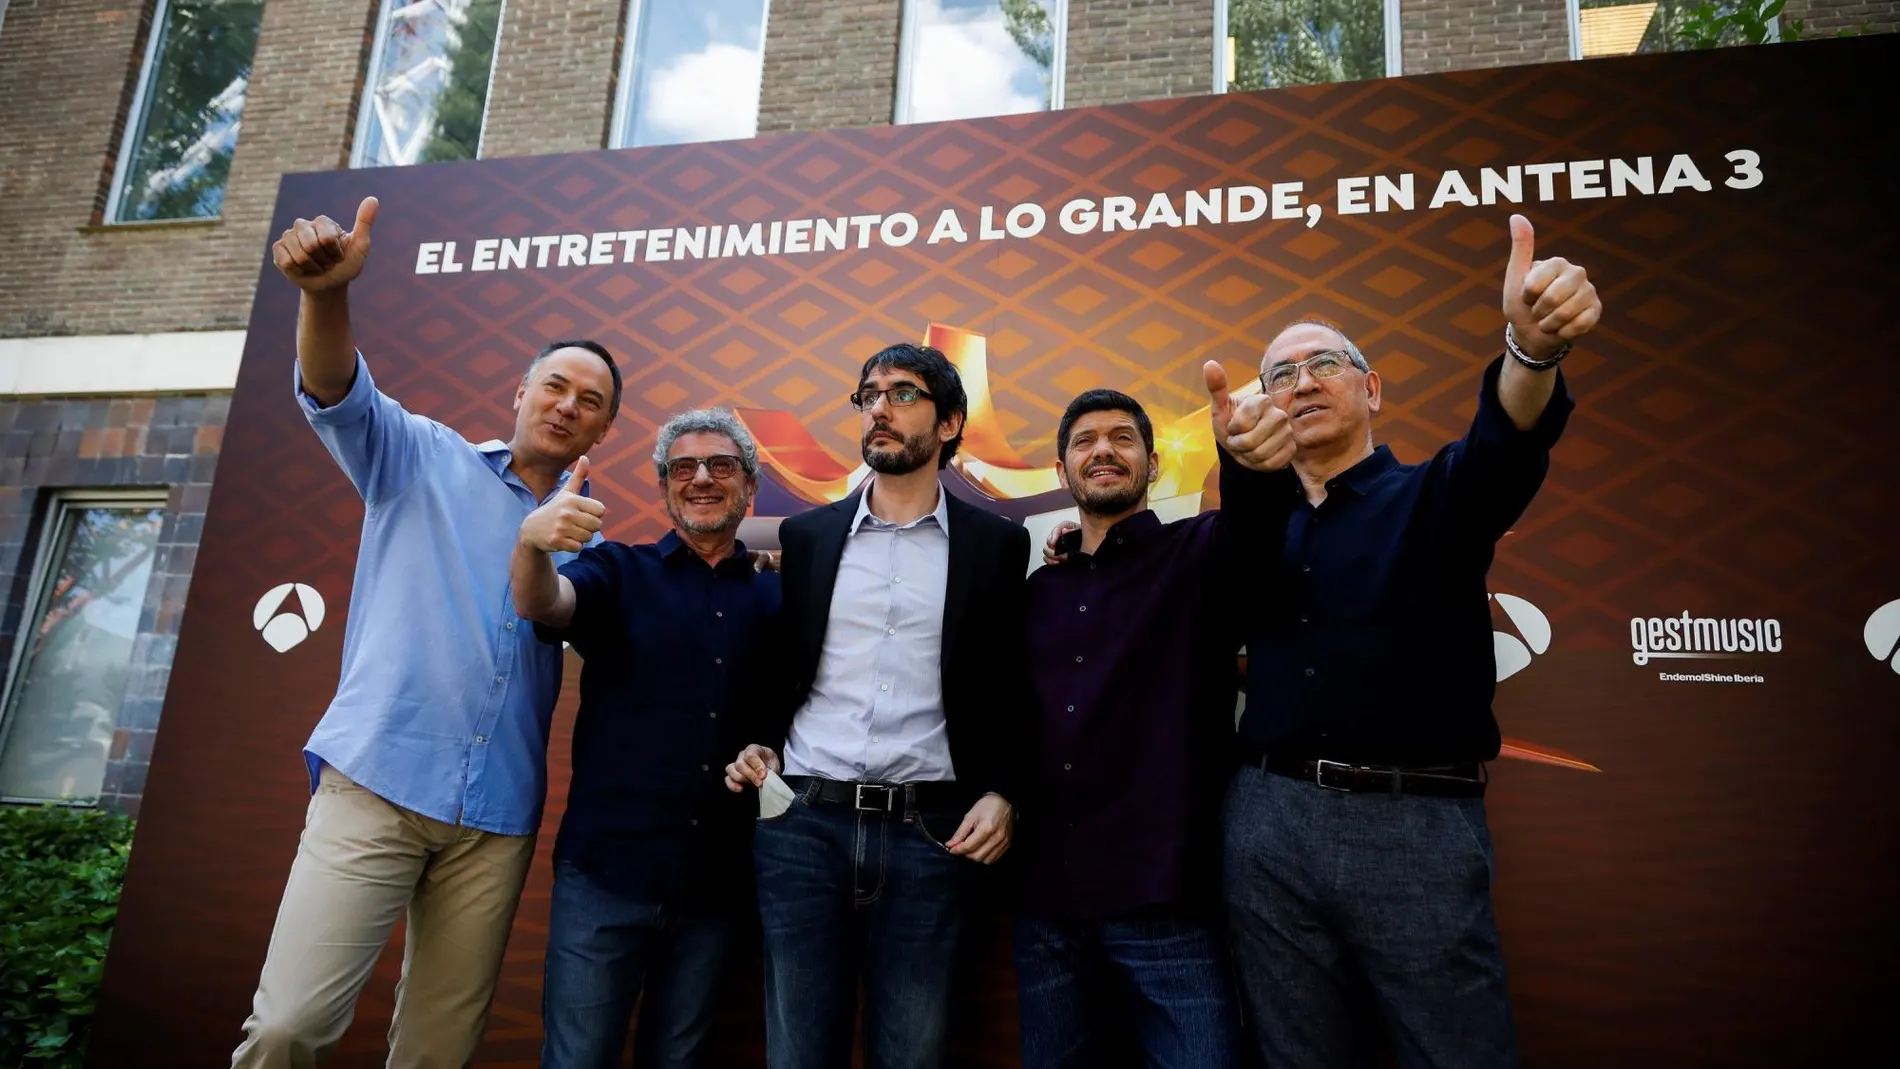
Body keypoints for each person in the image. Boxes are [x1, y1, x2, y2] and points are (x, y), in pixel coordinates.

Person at [233, 197, 620, 1069]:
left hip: (495, 821)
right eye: (554, 386)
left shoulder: (586, 541)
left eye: (589, 402)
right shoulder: (418, 457)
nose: (566, 406)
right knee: (289, 1025)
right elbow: (335, 389)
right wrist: (326, 297)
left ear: (603, 429)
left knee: (439, 1052)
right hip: (377, 783)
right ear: (520, 393)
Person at [1222, 213, 1602, 1068]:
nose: (1302, 382)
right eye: (1279, 374)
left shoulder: (1437, 497)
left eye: (1326, 363)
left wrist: (1531, 352)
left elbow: (1505, 446)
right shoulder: (1249, 531)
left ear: (1374, 388)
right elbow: (1197, 590)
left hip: (1416, 825)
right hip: (1267, 825)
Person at [724, 342, 1031, 1069]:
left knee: (913, 1052)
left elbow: (1014, 683)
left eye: (902, 392)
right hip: (801, 825)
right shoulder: (807, 536)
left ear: (951, 422)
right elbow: (779, 666)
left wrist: (1007, 790)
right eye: (868, 395)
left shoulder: (997, 544)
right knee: (798, 1052)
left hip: (931, 834)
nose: (879, 408)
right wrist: (759, 744)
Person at [1013, 378, 1294, 1069]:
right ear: (1062, 471)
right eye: (1085, 441)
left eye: (1121, 438)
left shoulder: (1199, 552)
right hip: (1047, 903)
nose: (1103, 451)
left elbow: (1258, 529)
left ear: (1152, 463)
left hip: (1166, 898)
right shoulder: (1039, 589)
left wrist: (1246, 460)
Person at [512, 408, 780, 1069]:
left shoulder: (778, 598)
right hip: (606, 875)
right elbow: (546, 604)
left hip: (717, 885)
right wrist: (532, 547)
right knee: (577, 1059)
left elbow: (794, 718)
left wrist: (767, 749)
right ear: (664, 487)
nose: (701, 479)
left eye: (721, 465)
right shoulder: (619, 571)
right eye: (682, 467)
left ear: (749, 485)